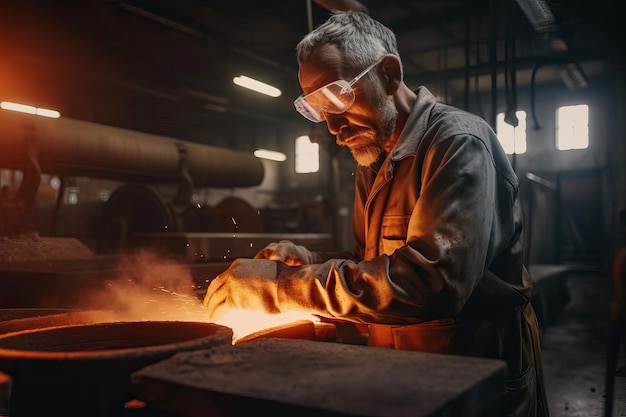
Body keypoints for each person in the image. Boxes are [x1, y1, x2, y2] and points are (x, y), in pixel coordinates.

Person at [204, 10, 549, 417]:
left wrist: (282, 288)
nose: (332, 126)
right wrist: (309, 261)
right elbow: (375, 265)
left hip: (478, 367)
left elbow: (432, 282)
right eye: (317, 109)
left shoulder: (457, 144)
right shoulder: (373, 161)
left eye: (337, 97)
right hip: (408, 367)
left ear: (389, 74)